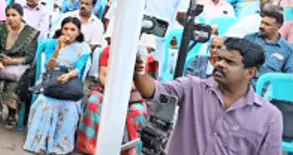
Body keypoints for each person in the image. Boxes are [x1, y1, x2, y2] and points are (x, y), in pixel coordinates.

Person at [132, 37, 283, 155]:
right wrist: (139, 70)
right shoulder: (192, 87)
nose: (220, 64)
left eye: (229, 62)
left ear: (250, 72)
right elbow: (152, 90)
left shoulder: (269, 116)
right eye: (219, 59)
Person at [24, 17, 91, 155]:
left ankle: (60, 146)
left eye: (72, 29)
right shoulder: (51, 43)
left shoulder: (83, 48)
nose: (68, 32)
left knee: (70, 106)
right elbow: (49, 66)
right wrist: (58, 48)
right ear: (61, 30)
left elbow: (79, 68)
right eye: (66, 29)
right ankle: (40, 143)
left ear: (78, 32)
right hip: (51, 77)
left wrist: (68, 76)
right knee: (45, 102)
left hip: (70, 79)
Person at [75, 46, 148, 155]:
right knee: (93, 103)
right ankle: (90, 147)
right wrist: (114, 90)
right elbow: (103, 75)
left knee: (136, 112)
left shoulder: (140, 54)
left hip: (131, 96)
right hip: (107, 90)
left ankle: (128, 150)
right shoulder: (109, 50)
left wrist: (122, 92)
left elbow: (140, 82)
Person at [0, 4, 38, 128]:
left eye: (14, 15)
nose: (10, 18)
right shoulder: (0, 28)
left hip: (18, 66)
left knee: (14, 86)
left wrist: (11, 61)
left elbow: (29, 57)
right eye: (8, 15)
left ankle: (12, 113)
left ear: (21, 16)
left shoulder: (31, 33)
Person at [242, 10, 293, 82]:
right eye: (262, 23)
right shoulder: (249, 38)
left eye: (267, 24)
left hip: (269, 86)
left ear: (278, 27)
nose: (262, 26)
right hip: (245, 82)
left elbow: (289, 76)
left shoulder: (288, 49)